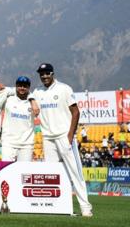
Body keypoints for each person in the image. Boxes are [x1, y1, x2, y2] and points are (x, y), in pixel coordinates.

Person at [32, 63, 92, 217]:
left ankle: (85, 208)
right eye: (42, 74)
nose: (44, 76)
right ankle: (57, 207)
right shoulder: (38, 91)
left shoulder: (64, 88)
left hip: (64, 136)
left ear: (52, 74)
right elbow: (29, 96)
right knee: (53, 175)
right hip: (48, 138)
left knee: (75, 172)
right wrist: (32, 101)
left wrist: (70, 135)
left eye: (47, 73)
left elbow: (76, 112)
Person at [1, 76, 39, 161]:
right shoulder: (8, 99)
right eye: (20, 85)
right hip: (9, 143)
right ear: (16, 86)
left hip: (26, 145)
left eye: (25, 86)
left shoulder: (34, 103)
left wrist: (32, 99)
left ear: (29, 88)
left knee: (24, 172)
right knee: (6, 170)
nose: (22, 88)